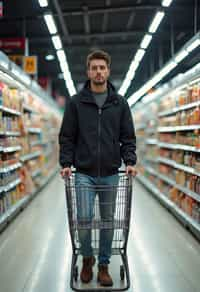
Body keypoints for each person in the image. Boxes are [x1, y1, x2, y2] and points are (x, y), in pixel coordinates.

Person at [59, 50, 137, 287]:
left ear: (108, 71)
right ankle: (87, 259)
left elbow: (128, 137)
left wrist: (130, 161)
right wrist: (65, 164)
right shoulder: (76, 103)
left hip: (112, 174)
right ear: (88, 71)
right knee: (83, 220)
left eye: (102, 67)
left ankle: (103, 265)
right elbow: (67, 137)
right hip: (84, 173)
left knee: (108, 220)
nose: (98, 72)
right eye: (94, 68)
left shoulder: (119, 103)